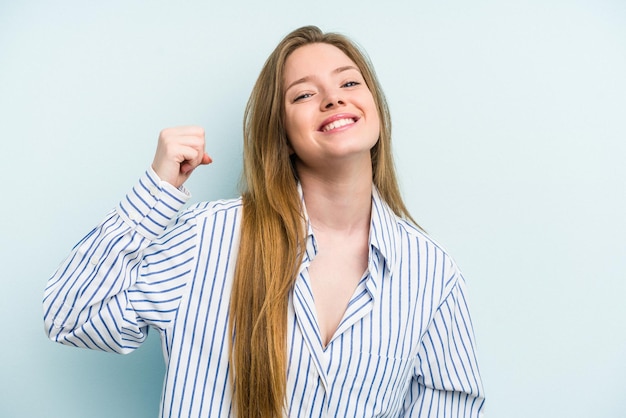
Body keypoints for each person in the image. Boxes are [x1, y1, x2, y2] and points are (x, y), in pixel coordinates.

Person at [43, 25, 485, 417]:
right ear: (283, 135)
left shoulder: (431, 273)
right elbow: (71, 316)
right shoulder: (210, 238)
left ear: (374, 108)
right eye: (304, 94)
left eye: (349, 82)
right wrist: (156, 192)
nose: (333, 98)